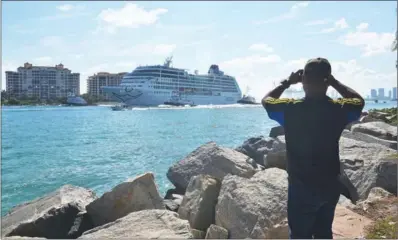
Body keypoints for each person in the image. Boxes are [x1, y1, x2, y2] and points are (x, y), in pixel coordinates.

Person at [261, 57, 365, 239]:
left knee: (300, 235)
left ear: (303, 81)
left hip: (301, 188)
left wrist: (286, 82)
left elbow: (266, 101)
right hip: (330, 185)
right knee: (324, 232)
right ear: (327, 80)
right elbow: (359, 101)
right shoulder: (339, 109)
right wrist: (334, 82)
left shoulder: (289, 109)